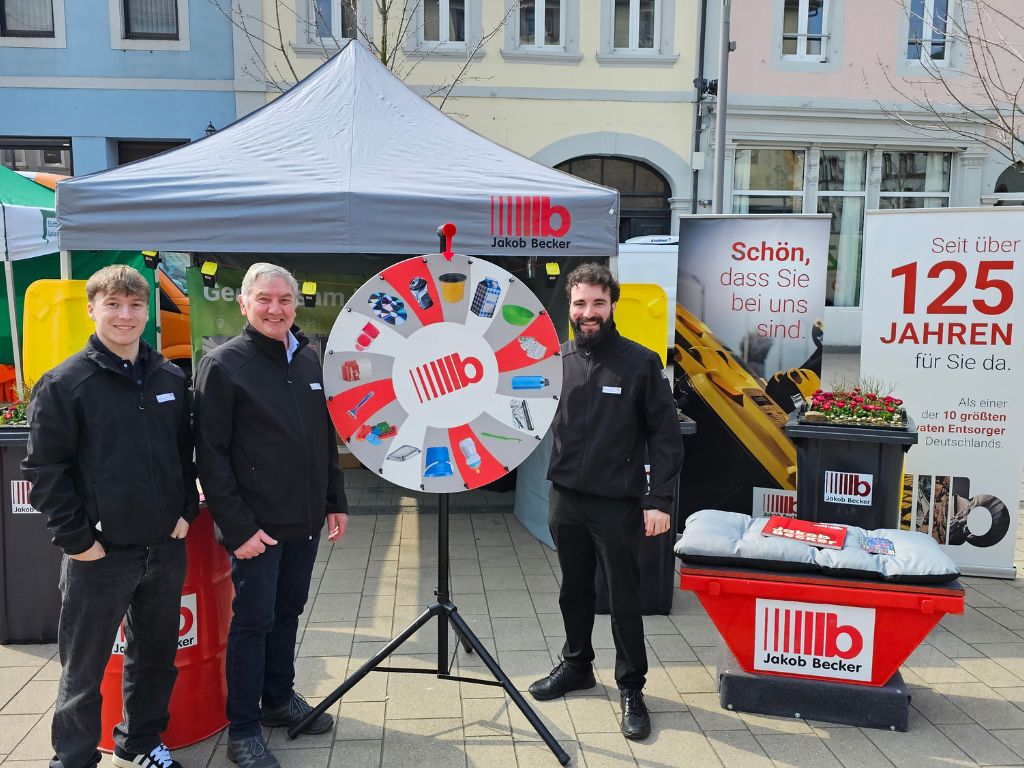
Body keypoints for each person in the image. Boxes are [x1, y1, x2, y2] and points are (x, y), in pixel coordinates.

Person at [23, 265, 198, 768]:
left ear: (147, 311)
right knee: (83, 671)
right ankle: (74, 759)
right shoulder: (64, 384)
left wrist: (186, 511)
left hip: (164, 550)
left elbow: (183, 454)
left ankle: (141, 743)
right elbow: (45, 471)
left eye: (135, 306)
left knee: (155, 661)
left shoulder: (168, 376)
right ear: (92, 308)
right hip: (98, 558)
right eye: (114, 305)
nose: (125, 315)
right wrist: (78, 541)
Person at [194, 263, 348, 768]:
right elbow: (210, 457)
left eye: (284, 299)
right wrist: (238, 530)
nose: (275, 308)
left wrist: (334, 500)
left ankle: (278, 701)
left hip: (302, 522)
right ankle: (243, 727)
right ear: (244, 303)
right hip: (255, 530)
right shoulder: (223, 365)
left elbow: (323, 440)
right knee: (253, 622)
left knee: (288, 613)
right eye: (264, 299)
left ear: (295, 306)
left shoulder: (306, 360)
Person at [530, 262, 683, 740]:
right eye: (580, 303)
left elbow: (665, 436)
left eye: (597, 302)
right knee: (573, 590)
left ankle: (631, 687)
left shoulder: (640, 362)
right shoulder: (557, 360)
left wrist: (658, 500)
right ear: (570, 308)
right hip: (566, 499)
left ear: (612, 304)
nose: (588, 312)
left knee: (622, 598)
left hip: (617, 503)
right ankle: (577, 665)